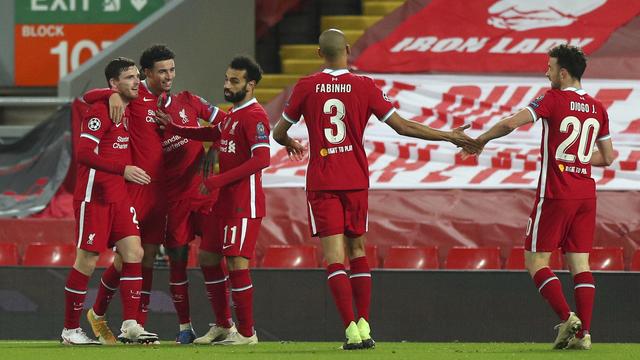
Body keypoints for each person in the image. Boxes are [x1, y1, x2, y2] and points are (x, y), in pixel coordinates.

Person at [271, 29, 479, 350]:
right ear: (349, 50)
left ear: (318, 54)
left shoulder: (306, 87)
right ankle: (366, 324)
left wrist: (290, 142)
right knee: (358, 252)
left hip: (323, 181)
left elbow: (278, 131)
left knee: (334, 258)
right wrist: (448, 135)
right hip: (355, 178)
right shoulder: (365, 86)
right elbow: (403, 126)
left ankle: (350, 330)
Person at [462, 44, 615, 350]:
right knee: (580, 264)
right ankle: (583, 335)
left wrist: (480, 140)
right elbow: (607, 157)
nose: (545, 72)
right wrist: (577, 160)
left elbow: (510, 123)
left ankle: (567, 318)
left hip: (557, 193)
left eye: (549, 67)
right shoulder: (598, 107)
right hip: (586, 194)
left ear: (563, 72)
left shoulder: (552, 99)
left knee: (535, 259)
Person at [82, 45, 225, 344]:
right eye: (162, 71)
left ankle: (126, 322)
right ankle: (122, 321)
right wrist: (108, 94)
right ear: (147, 73)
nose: (169, 76)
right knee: (132, 257)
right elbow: (88, 96)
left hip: (171, 192)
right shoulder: (132, 97)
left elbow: (225, 123)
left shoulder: (183, 100)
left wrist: (214, 149)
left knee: (144, 256)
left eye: (172, 69)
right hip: (139, 189)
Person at [155, 55, 269, 346]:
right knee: (207, 257)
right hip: (224, 204)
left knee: (237, 264)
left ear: (250, 85)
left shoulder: (255, 116)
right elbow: (210, 131)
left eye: (234, 80)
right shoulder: (232, 113)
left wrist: (218, 180)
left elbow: (262, 159)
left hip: (244, 203)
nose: (227, 85)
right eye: (227, 78)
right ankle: (222, 324)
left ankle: (247, 333)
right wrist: (177, 128)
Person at [61, 57, 158, 345]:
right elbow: (84, 154)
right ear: (114, 83)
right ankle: (69, 330)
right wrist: (123, 169)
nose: (136, 82)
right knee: (87, 260)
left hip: (118, 196)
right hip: (94, 196)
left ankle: (129, 325)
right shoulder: (101, 112)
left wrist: (113, 92)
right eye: (129, 78)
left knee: (134, 252)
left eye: (137, 76)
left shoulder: (130, 108)